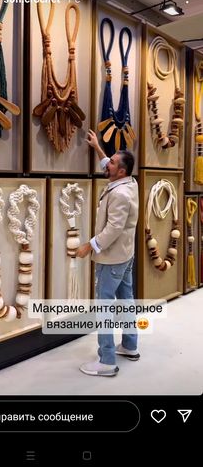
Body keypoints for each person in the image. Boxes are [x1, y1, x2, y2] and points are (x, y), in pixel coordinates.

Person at [76, 129, 139, 377]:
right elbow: (109, 167)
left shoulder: (121, 193)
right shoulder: (128, 182)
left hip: (111, 259)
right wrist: (98, 148)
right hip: (125, 256)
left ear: (120, 171)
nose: (108, 163)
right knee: (126, 300)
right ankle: (130, 346)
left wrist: (88, 245)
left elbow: (114, 228)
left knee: (104, 307)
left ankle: (107, 361)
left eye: (112, 162)